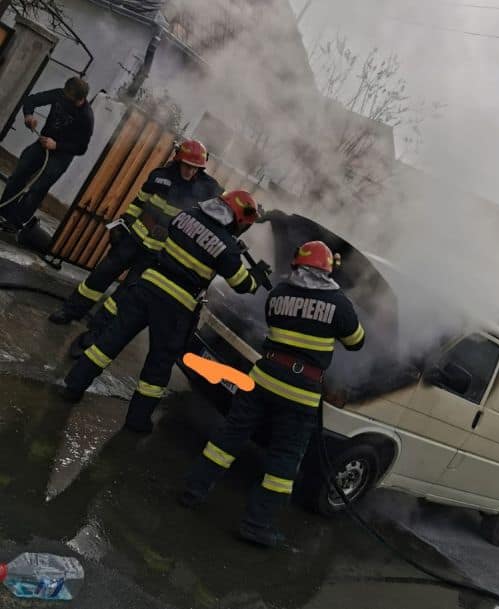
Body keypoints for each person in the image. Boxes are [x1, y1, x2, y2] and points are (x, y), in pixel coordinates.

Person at [180, 240, 365, 548]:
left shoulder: (279, 294)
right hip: (300, 393)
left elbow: (274, 322)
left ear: (298, 265)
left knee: (229, 437)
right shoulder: (340, 305)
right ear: (327, 270)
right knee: (283, 460)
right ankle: (257, 524)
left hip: (263, 378)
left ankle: (192, 491)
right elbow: (356, 341)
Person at [60, 190, 268, 433]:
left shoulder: (187, 215)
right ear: (237, 218)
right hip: (175, 305)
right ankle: (137, 420)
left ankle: (72, 387)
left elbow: (188, 241)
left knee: (109, 341)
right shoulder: (228, 248)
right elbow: (243, 285)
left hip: (146, 286)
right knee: (158, 364)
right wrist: (258, 275)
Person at [49, 140, 222, 352]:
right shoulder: (160, 176)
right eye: (187, 165)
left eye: (195, 167)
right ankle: (70, 310)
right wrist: (122, 224)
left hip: (158, 254)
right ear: (178, 160)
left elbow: (224, 211)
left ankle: (93, 334)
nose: (190, 170)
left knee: (123, 295)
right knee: (99, 276)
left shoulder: (207, 190)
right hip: (133, 239)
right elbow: (138, 202)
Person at [0, 77, 94, 231]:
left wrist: (56, 145)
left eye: (69, 97)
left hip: (61, 155)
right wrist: (28, 115)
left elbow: (81, 148)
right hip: (42, 144)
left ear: (79, 98)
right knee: (20, 172)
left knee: (38, 188)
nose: (65, 98)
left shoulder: (86, 117)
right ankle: (4, 209)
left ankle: (15, 222)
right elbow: (31, 100)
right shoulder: (60, 95)